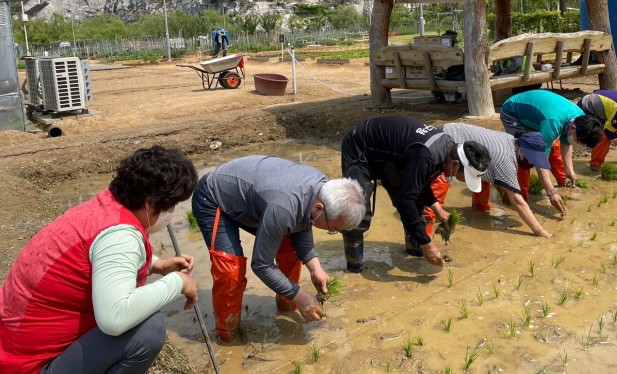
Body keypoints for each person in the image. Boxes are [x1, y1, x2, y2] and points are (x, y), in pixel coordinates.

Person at [0, 146, 199, 374]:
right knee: (147, 329)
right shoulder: (119, 236)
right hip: (28, 366)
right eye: (171, 206)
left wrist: (158, 265)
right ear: (150, 204)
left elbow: (98, 258)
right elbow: (115, 317)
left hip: (12, 346)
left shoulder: (102, 209)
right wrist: (177, 283)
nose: (171, 213)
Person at [191, 155, 366, 343]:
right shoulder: (283, 206)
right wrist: (299, 296)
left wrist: (315, 268)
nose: (334, 231)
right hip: (214, 198)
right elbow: (261, 264)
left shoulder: (321, 188)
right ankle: (229, 335)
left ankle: (286, 305)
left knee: (290, 250)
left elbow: (303, 222)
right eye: (334, 229)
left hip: (258, 200)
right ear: (319, 207)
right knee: (230, 271)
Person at [340, 116, 490, 273]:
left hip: (391, 157)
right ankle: (354, 267)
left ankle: (415, 253)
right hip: (360, 147)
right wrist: (428, 243)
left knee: (416, 203)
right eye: (465, 178)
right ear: (455, 164)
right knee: (357, 209)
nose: (463, 182)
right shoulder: (426, 155)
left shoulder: (447, 150)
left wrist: (438, 210)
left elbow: (420, 184)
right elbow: (405, 201)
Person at [443, 122, 559, 237]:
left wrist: (503, 190)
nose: (532, 163)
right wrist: (540, 231)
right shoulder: (506, 159)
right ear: (522, 150)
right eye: (532, 158)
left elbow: (493, 168)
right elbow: (517, 201)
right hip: (448, 140)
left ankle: (478, 211)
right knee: (436, 184)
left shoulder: (510, 140)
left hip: (452, 129)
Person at [499, 90, 604, 201]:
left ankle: (554, 183)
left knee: (549, 146)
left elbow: (566, 143)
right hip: (513, 112)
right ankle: (519, 196)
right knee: (524, 155)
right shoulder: (553, 124)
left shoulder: (581, 119)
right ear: (573, 128)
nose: (580, 145)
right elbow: (539, 159)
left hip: (538, 115)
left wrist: (569, 170)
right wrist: (551, 193)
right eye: (580, 142)